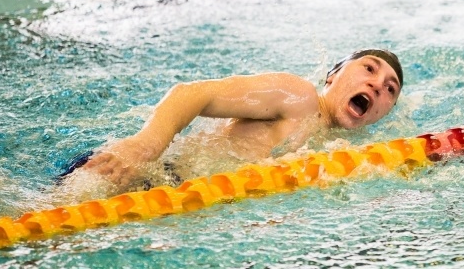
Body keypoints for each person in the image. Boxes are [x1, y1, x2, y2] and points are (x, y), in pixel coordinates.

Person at [59, 49, 403, 188]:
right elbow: (192, 93)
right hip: (130, 173)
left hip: (167, 195)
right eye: (369, 68)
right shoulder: (297, 96)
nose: (376, 84)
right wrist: (143, 145)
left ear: (385, 111)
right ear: (333, 76)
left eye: (390, 89)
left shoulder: (343, 147)